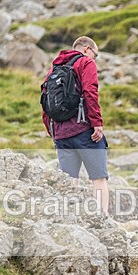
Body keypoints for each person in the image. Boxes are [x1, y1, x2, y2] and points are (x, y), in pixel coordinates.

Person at [42, 36, 108, 214]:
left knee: (70, 180)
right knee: (99, 178)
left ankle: (71, 219)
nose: (95, 59)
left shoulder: (54, 68)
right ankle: (104, 220)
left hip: (61, 133)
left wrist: (50, 128)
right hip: (84, 131)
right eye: (96, 55)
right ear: (87, 49)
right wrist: (97, 123)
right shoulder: (85, 63)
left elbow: (45, 98)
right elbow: (90, 91)